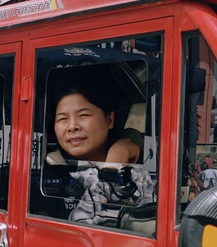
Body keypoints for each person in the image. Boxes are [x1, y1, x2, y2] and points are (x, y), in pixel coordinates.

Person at [46, 83, 152, 224]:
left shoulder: (145, 165)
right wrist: (114, 163)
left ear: (109, 120)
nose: (72, 126)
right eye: (62, 119)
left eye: (83, 115)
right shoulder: (47, 174)